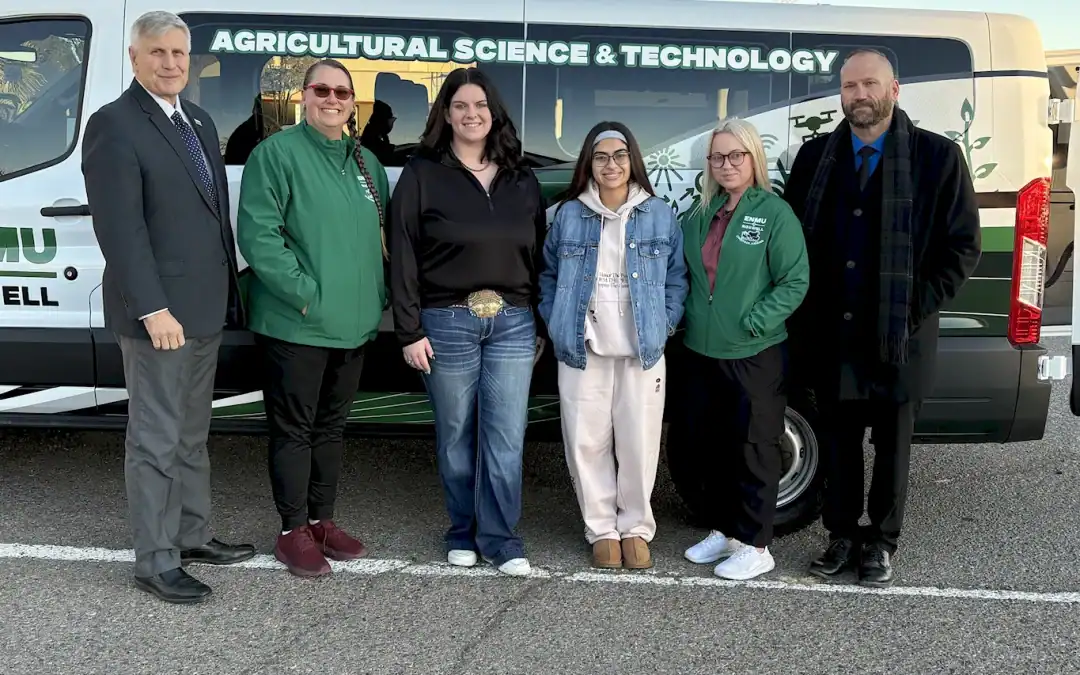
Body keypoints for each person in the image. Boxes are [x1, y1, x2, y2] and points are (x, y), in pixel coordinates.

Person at [782, 48, 981, 587]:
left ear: (894, 90)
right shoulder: (814, 157)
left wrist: (913, 309)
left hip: (901, 335)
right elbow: (793, 244)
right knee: (839, 442)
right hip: (833, 333)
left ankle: (882, 542)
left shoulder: (937, 157)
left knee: (893, 447)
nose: (860, 95)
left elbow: (962, 247)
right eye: (850, 86)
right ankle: (842, 535)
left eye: (870, 84)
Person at [81, 11, 255, 604]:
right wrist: (152, 309)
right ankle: (155, 561)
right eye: (158, 52)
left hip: (202, 308)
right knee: (155, 439)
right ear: (134, 57)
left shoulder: (198, 120)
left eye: (180, 53)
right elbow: (120, 230)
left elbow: (212, 216)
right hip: (158, 316)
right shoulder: (114, 124)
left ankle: (191, 534)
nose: (172, 63)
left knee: (190, 435)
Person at [389, 67, 547, 577]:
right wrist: (409, 329)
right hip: (446, 322)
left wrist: (539, 322)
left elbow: (540, 255)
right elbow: (402, 253)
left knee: (506, 436)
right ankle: (462, 531)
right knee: (456, 434)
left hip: (513, 322)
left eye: (480, 105)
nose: (471, 114)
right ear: (446, 114)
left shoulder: (522, 178)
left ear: (493, 113)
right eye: (460, 105)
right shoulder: (421, 173)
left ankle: (501, 539)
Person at [236, 58, 390, 578]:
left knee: (331, 428)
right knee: (295, 430)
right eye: (322, 90)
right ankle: (291, 530)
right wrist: (306, 297)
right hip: (296, 323)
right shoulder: (275, 154)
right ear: (304, 97)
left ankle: (322, 521)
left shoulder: (367, 163)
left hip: (354, 324)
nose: (332, 100)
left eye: (342, 93)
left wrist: (376, 296)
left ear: (353, 103)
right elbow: (259, 235)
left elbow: (381, 241)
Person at [537, 121, 687, 570]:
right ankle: (601, 528)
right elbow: (547, 276)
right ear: (589, 164)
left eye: (619, 156)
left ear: (632, 160)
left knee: (639, 442)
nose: (611, 165)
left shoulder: (658, 214)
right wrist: (557, 322)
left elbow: (676, 279)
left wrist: (663, 323)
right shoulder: (568, 214)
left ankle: (636, 527)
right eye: (600, 157)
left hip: (643, 348)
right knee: (586, 441)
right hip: (583, 347)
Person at [679, 118, 810, 581]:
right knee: (713, 447)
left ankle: (756, 545)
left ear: (754, 158)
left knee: (754, 447)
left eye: (737, 155)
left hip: (754, 351)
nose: (727, 164)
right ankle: (726, 531)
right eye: (717, 156)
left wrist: (756, 320)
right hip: (702, 349)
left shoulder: (775, 213)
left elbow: (795, 280)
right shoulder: (700, 213)